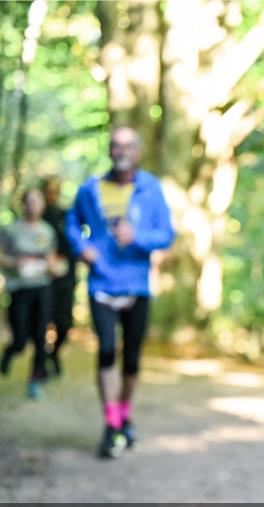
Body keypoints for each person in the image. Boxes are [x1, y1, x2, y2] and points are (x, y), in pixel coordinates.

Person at [66, 126, 175, 459]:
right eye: (115, 145)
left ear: (137, 151)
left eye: (128, 145)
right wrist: (82, 247)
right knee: (106, 350)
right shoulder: (90, 189)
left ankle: (124, 416)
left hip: (137, 285)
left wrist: (137, 237)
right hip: (101, 283)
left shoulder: (151, 188)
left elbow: (166, 234)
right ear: (109, 151)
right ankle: (112, 424)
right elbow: (72, 224)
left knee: (132, 360)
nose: (121, 151)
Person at [0, 189, 63, 399]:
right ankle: (10, 351)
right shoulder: (12, 230)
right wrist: (13, 262)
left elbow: (52, 258)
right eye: (29, 202)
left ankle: (36, 379)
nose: (33, 206)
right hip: (19, 288)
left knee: (41, 336)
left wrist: (53, 266)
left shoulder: (47, 231)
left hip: (42, 287)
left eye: (37, 202)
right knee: (20, 337)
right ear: (23, 204)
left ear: (43, 205)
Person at [41, 176, 75, 377]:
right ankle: (40, 363)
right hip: (42, 279)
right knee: (41, 322)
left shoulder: (67, 215)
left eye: (56, 190)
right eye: (49, 190)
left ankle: (53, 354)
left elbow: (76, 242)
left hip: (65, 278)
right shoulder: (36, 217)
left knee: (64, 324)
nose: (53, 194)